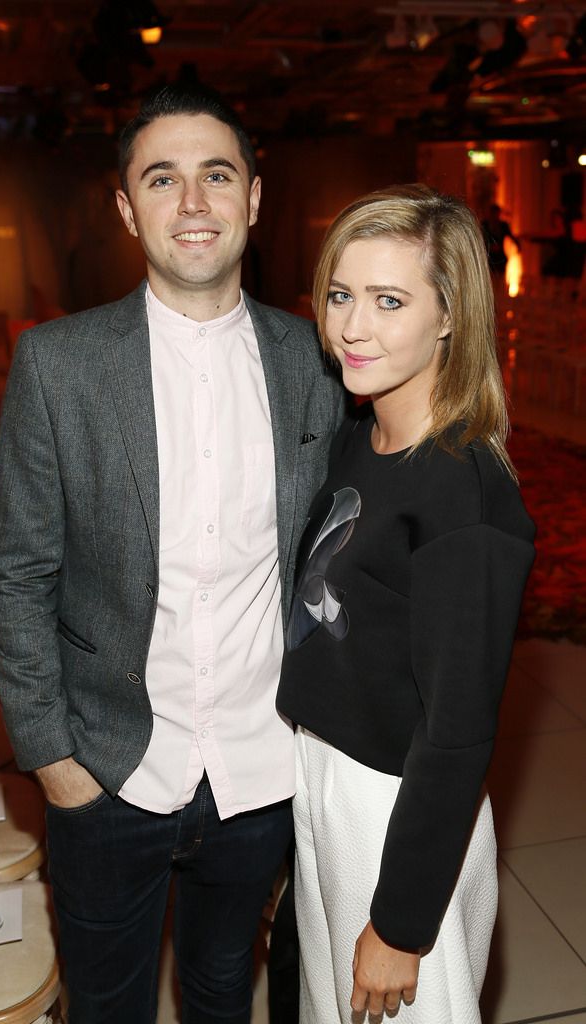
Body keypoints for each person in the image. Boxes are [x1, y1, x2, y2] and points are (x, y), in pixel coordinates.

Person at [0, 82, 344, 1024]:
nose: (192, 204)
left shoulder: (321, 363)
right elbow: (17, 573)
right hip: (107, 768)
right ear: (124, 205)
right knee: (109, 1005)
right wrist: (53, 758)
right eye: (162, 178)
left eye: (216, 175)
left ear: (253, 198)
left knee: (226, 989)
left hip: (261, 769)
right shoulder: (59, 365)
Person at [277, 184, 535, 1023]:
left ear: (450, 315)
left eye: (390, 301)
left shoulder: (465, 495)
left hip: (392, 803)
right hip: (325, 773)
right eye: (342, 294)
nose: (353, 326)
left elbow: (457, 732)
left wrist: (401, 923)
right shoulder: (364, 437)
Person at [481, 202, 520, 276]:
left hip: (500, 258)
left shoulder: (503, 225)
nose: (494, 216)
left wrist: (518, 245)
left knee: (500, 276)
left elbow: (511, 236)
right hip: (488, 257)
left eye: (496, 213)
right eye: (493, 213)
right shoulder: (484, 225)